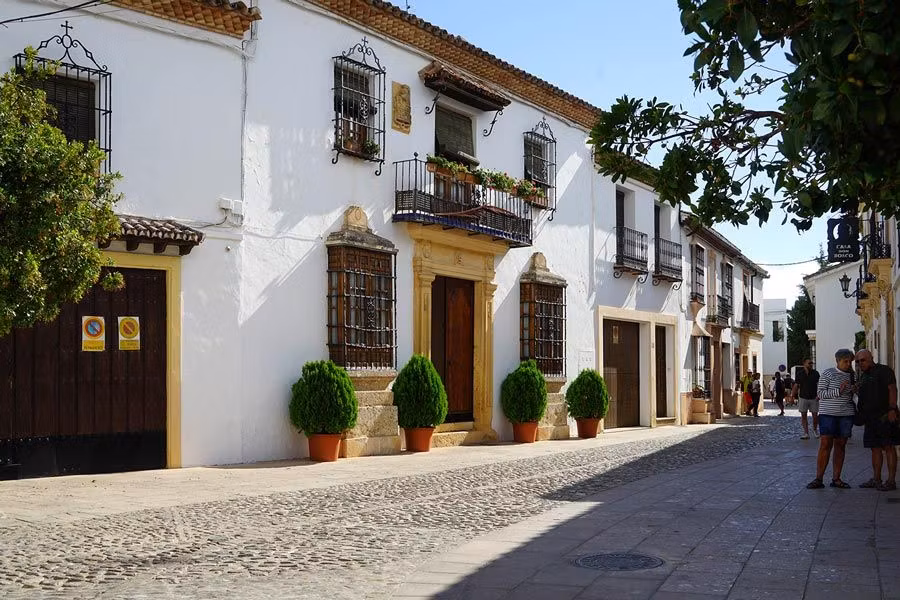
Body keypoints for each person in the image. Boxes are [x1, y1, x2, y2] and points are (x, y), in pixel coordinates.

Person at [807, 349, 857, 489]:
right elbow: (820, 393)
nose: (848, 364)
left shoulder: (852, 375)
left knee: (840, 446)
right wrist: (838, 391)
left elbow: (853, 395)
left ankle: (836, 479)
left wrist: (855, 389)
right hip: (828, 414)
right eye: (845, 361)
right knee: (825, 445)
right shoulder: (828, 373)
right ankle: (818, 478)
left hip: (846, 415)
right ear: (837, 361)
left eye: (849, 361)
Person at [855, 349, 899, 491]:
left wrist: (892, 409)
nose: (860, 363)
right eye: (857, 361)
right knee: (874, 448)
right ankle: (876, 479)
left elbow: (892, 389)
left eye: (863, 360)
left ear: (870, 358)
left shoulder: (884, 371)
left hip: (885, 416)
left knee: (889, 447)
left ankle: (891, 481)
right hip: (870, 418)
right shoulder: (863, 377)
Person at [794, 358, 820, 440]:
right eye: (809, 363)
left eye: (812, 363)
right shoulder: (800, 374)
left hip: (814, 397)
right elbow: (796, 385)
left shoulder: (816, 373)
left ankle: (815, 430)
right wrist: (792, 396)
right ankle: (806, 433)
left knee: (815, 416)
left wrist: (819, 394)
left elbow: (819, 384)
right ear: (804, 363)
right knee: (803, 415)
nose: (811, 364)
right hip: (803, 397)